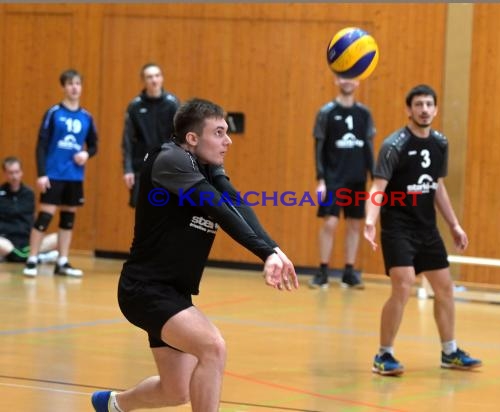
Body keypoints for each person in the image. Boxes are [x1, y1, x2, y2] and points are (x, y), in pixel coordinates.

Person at [91, 98, 299, 412]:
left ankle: (114, 405)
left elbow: (235, 203)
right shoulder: (171, 160)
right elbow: (218, 208)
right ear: (192, 138)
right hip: (145, 289)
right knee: (213, 348)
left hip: (173, 291)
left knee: (175, 390)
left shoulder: (204, 164)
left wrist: (273, 250)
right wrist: (264, 252)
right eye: (218, 133)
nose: (227, 141)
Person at [363, 84, 482, 376]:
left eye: (429, 104)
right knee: (402, 286)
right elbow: (378, 186)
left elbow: (437, 186)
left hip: (427, 228)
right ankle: (384, 355)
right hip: (397, 226)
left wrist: (454, 224)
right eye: (418, 104)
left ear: (436, 109)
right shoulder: (394, 145)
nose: (424, 109)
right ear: (408, 109)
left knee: (445, 288)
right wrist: (370, 220)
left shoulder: (440, 143)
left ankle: (450, 351)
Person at [22, 69, 98, 277]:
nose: (74, 87)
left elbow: (94, 145)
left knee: (67, 219)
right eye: (70, 84)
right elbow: (41, 145)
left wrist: (85, 154)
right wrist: (41, 173)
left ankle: (62, 261)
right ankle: (32, 259)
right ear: (64, 87)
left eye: (77, 83)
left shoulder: (86, 117)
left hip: (74, 175)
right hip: (54, 173)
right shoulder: (54, 112)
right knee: (44, 217)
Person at [309, 75, 376, 289]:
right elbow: (318, 148)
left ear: (358, 82)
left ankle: (349, 271)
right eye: (343, 77)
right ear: (337, 81)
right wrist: (321, 179)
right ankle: (322, 270)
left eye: (352, 78)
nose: (348, 81)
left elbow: (368, 147)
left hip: (357, 177)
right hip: (333, 178)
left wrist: (374, 178)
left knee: (355, 224)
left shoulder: (364, 113)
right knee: (330, 223)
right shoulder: (326, 112)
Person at [122, 62, 179, 208]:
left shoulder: (173, 104)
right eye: (149, 77)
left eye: (157, 76)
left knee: (166, 208)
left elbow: (181, 136)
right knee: (141, 209)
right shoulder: (135, 106)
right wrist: (128, 169)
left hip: (167, 166)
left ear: (162, 78)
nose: (154, 80)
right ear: (144, 81)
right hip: (141, 166)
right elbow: (127, 140)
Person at [0, 157, 58, 263]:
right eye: (10, 173)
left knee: (58, 238)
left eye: (17, 172)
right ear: (5, 174)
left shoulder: (29, 193)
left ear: (21, 172)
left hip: (27, 241)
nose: (14, 176)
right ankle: (36, 257)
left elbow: (32, 218)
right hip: (6, 241)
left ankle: (15, 256)